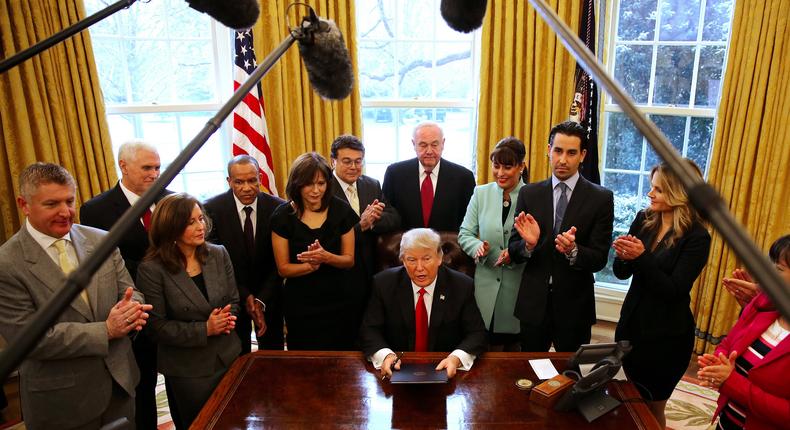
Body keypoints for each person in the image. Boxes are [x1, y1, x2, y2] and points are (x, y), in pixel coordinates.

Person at [0, 162, 151, 429]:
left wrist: (132, 310)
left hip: (121, 385)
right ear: (24, 204)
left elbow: (131, 293)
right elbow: (29, 339)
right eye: (51, 204)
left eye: (69, 201)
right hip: (62, 402)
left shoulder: (102, 240)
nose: (65, 212)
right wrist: (106, 330)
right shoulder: (7, 264)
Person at [612, 159, 712, 428]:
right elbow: (621, 272)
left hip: (666, 339)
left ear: (680, 194)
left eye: (658, 190)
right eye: (651, 187)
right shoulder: (644, 220)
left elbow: (673, 290)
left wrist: (641, 257)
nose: (650, 194)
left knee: (653, 406)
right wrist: (622, 256)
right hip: (632, 327)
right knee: (632, 398)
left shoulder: (697, 237)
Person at [80, 140, 170, 429]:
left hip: (175, 312)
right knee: (141, 386)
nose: (154, 174)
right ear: (123, 166)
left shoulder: (173, 200)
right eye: (147, 167)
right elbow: (106, 267)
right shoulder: (96, 210)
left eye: (157, 167)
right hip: (136, 312)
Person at [136, 194, 241, 429]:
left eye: (201, 219)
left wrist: (225, 319)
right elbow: (156, 327)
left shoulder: (218, 253)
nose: (200, 226)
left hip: (229, 355)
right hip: (189, 369)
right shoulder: (151, 270)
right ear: (171, 227)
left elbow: (233, 299)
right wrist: (205, 329)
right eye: (191, 222)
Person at [507, 121, 614, 352]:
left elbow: (599, 259)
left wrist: (574, 251)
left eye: (571, 152)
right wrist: (528, 245)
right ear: (548, 150)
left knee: (571, 376)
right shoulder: (529, 193)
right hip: (533, 304)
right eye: (558, 151)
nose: (563, 159)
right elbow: (513, 250)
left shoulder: (601, 199)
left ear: (583, 155)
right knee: (529, 374)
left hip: (575, 306)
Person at [359, 228, 487, 379]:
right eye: (412, 260)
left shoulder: (461, 286)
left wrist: (456, 358)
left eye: (426, 259)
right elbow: (369, 330)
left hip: (445, 369)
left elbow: (477, 334)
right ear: (403, 260)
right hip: (397, 370)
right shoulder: (383, 283)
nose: (419, 268)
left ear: (439, 258)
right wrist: (385, 356)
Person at [697, 235, 790, 430]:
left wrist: (732, 382)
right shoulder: (762, 303)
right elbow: (728, 344)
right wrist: (716, 364)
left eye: (778, 269)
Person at [270, 152, 360, 350]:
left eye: (321, 183)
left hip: (339, 300)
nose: (316, 190)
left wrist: (326, 257)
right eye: (309, 184)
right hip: (301, 304)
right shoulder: (282, 216)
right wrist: (310, 266)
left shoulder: (341, 210)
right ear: (297, 184)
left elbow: (349, 260)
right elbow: (283, 269)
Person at [204, 155, 285, 353]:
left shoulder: (279, 207)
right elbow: (215, 262)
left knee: (272, 358)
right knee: (237, 357)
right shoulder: (211, 209)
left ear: (260, 178)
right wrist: (245, 294)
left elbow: (280, 261)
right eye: (239, 182)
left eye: (252, 180)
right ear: (229, 181)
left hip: (270, 296)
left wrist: (261, 299)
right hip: (230, 297)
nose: (247, 187)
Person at [458, 137, 529, 351]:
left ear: (521, 167)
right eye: (496, 166)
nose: (500, 173)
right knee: (481, 351)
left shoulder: (533, 195)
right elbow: (465, 234)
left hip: (518, 290)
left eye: (508, 167)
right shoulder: (481, 193)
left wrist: (515, 252)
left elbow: (537, 242)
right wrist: (477, 247)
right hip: (484, 288)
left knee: (514, 357)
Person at [329, 135, 401, 331]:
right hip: (336, 272)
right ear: (333, 161)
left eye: (358, 161)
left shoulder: (371, 185)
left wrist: (374, 220)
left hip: (369, 268)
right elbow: (327, 236)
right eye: (347, 161)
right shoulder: (323, 189)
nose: (354, 166)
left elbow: (394, 217)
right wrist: (361, 225)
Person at [382, 122, 476, 232]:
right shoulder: (395, 174)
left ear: (443, 144)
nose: (429, 151)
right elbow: (388, 216)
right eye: (423, 145)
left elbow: (470, 224)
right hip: (405, 247)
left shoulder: (464, 178)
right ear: (414, 144)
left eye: (435, 145)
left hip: (447, 247)